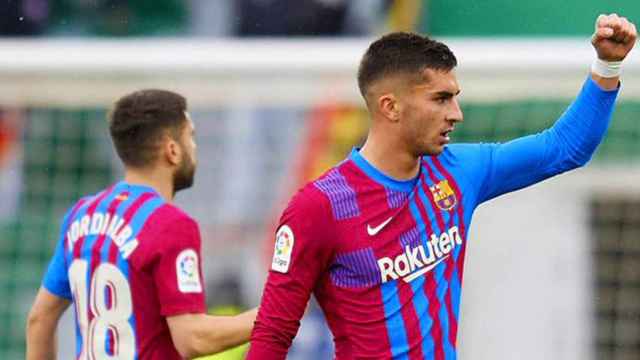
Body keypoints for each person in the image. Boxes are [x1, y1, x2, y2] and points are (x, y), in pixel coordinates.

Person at [248, 13, 637, 359]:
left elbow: (563, 148)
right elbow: (273, 334)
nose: (457, 113)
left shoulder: (456, 171)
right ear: (390, 107)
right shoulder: (320, 207)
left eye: (455, 98)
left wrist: (607, 64)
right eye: (441, 99)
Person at [26, 90, 257, 359]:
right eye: (190, 137)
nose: (194, 148)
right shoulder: (171, 225)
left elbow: (39, 319)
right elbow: (192, 338)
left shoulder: (81, 215)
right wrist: (274, 313)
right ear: (172, 150)